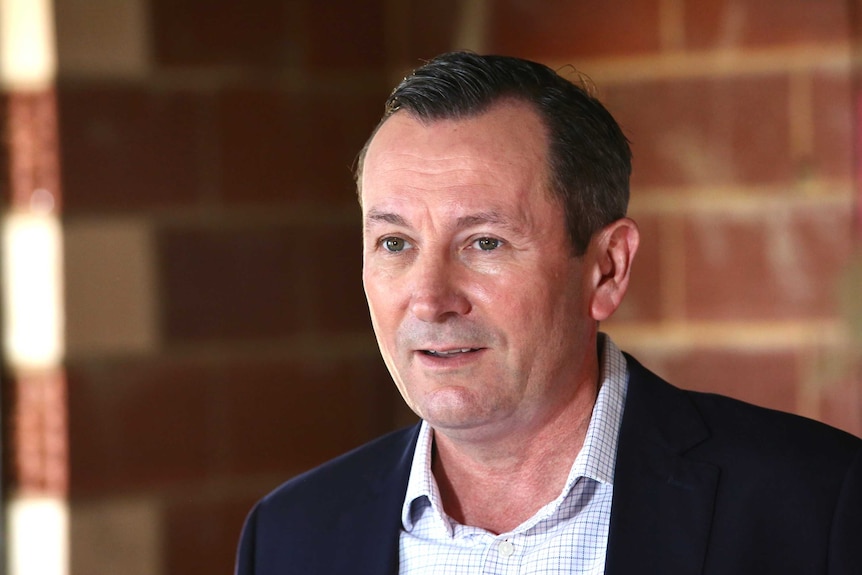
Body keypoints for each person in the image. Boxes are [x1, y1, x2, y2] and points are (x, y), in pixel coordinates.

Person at [235, 52, 862, 575]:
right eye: (395, 244)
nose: (429, 300)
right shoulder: (289, 538)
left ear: (607, 268)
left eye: (485, 242)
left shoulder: (817, 504)